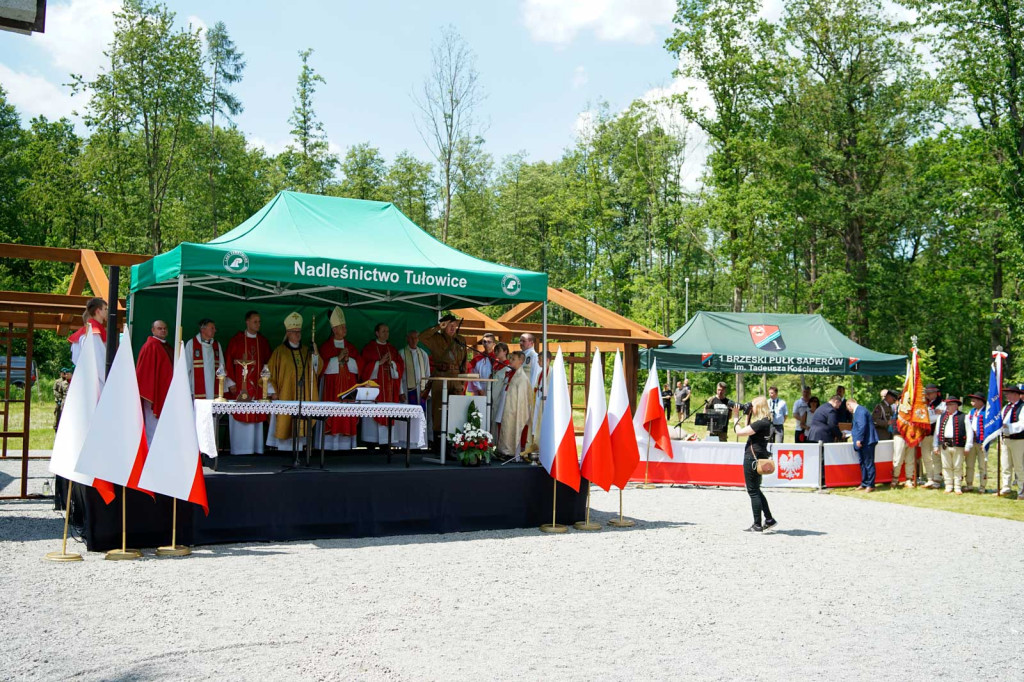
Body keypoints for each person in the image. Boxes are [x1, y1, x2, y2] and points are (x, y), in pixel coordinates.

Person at [266, 313, 319, 452]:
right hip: (285, 394)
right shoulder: (280, 352)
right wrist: (273, 392)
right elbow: (268, 374)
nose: (298, 335)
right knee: (286, 421)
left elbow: (316, 370)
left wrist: (315, 355)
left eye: (299, 332)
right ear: (288, 333)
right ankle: (284, 449)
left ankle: (300, 448)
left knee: (302, 421)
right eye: (294, 332)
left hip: (303, 394)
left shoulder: (306, 351)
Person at [225, 310, 272, 455]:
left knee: (256, 416)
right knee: (241, 414)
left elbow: (268, 364)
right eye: (255, 321)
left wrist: (267, 385)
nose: (258, 324)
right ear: (247, 322)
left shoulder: (262, 342)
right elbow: (228, 362)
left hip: (257, 388)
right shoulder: (236, 341)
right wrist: (231, 383)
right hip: (240, 387)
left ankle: (256, 449)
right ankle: (240, 450)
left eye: (259, 322)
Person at [317, 307, 362, 451]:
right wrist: (338, 359)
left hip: (348, 387)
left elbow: (359, 367)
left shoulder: (351, 347)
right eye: (342, 327)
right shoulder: (326, 347)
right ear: (334, 329)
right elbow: (321, 368)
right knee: (333, 415)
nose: (345, 329)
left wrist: (349, 360)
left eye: (345, 327)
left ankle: (346, 446)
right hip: (332, 388)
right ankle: (330, 446)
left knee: (347, 414)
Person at [733, 396, 778, 534]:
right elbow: (749, 428)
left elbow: (740, 432)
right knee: (756, 489)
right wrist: (748, 414)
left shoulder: (760, 424)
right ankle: (769, 519)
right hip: (760, 457)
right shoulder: (767, 422)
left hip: (752, 458)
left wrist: (735, 416)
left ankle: (757, 524)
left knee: (752, 491)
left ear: (757, 407)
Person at [420, 314, 468, 438]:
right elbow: (421, 337)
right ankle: (438, 443)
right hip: (441, 377)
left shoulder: (461, 340)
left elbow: (464, 362)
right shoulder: (436, 338)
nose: (453, 328)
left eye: (454, 325)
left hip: (456, 378)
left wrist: (463, 382)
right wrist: (437, 327)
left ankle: (454, 440)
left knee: (455, 410)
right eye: (449, 325)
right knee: (439, 411)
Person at [360, 322, 406, 447]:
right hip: (374, 391)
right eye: (383, 331)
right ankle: (370, 443)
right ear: (377, 333)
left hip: (389, 390)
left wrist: (393, 364)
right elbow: (363, 369)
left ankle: (386, 444)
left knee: (388, 413)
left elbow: (400, 369)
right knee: (373, 416)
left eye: (387, 331)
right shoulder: (369, 348)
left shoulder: (392, 349)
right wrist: (378, 363)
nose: (386, 334)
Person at [136, 320, 174, 447]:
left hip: (164, 391)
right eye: (159, 328)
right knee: (153, 424)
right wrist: (151, 393)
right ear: (153, 330)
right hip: (153, 394)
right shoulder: (150, 346)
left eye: (164, 328)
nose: (163, 330)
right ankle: (151, 451)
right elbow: (144, 374)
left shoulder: (166, 346)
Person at [184, 318, 231, 400]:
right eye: (212, 328)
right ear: (203, 329)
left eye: (215, 328)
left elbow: (221, 366)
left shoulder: (216, 345)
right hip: (196, 387)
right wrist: (185, 387)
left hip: (214, 386)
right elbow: (186, 368)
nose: (215, 330)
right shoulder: (191, 344)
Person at [497, 350, 532, 459]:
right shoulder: (510, 373)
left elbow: (522, 399)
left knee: (512, 427)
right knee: (504, 427)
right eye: (510, 358)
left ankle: (510, 451)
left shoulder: (522, 378)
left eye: (513, 359)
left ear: (521, 361)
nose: (510, 361)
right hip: (506, 406)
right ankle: (503, 450)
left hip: (515, 409)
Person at [400, 328, 432, 444]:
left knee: (420, 416)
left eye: (416, 338)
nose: (414, 340)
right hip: (407, 389)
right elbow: (399, 375)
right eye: (411, 338)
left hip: (421, 390)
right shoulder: (402, 353)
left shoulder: (423, 354)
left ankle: (420, 442)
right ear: (407, 339)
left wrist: (428, 392)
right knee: (408, 416)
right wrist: (400, 391)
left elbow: (428, 374)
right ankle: (406, 442)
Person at [68, 297, 107, 385]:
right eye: (105, 309)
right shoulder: (94, 332)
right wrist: (108, 379)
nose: (107, 311)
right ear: (98, 311)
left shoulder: (83, 333)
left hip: (85, 377)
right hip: (96, 381)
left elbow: (75, 359)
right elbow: (99, 360)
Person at [933, 395, 966, 494]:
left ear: (956, 406)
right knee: (946, 466)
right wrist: (935, 445)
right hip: (945, 444)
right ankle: (948, 485)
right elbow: (937, 432)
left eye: (950, 405)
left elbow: (968, 432)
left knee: (957, 466)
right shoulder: (941, 417)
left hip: (958, 444)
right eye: (947, 405)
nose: (947, 407)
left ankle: (957, 486)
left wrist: (967, 446)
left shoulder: (963, 416)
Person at [848, 397, 879, 492]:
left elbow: (862, 425)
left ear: (849, 405)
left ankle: (871, 484)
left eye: (848, 407)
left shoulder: (860, 411)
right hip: (864, 441)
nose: (848, 410)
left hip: (867, 441)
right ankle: (865, 482)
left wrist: (859, 439)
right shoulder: (859, 411)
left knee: (868, 463)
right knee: (863, 463)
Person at [999, 384, 1024, 498]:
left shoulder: (1022, 407)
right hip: (1005, 439)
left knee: (1019, 466)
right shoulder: (1006, 407)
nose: (1006, 395)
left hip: (1018, 440)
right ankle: (1006, 487)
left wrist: (1008, 426)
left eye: (1008, 393)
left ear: (1015, 394)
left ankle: (1021, 490)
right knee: (1005, 465)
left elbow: (1022, 425)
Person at [921, 384, 945, 489]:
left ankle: (937, 478)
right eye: (927, 393)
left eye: (930, 393)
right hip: (925, 434)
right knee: (926, 457)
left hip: (936, 434)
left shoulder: (942, 404)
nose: (928, 395)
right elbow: (922, 417)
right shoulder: (924, 404)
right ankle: (929, 478)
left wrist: (929, 414)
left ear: (936, 393)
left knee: (936, 457)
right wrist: (931, 412)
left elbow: (935, 418)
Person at [963, 392, 987, 493]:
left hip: (982, 442)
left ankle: (982, 486)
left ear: (981, 401)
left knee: (982, 465)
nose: (972, 402)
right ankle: (969, 484)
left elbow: (989, 429)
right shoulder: (972, 412)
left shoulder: (987, 413)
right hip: (972, 441)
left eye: (974, 400)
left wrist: (986, 442)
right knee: (969, 463)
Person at [489, 342, 511, 435]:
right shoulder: (496, 365)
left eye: (499, 350)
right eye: (495, 350)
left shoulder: (508, 367)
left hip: (500, 398)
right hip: (492, 397)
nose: (496, 352)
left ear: (505, 351)